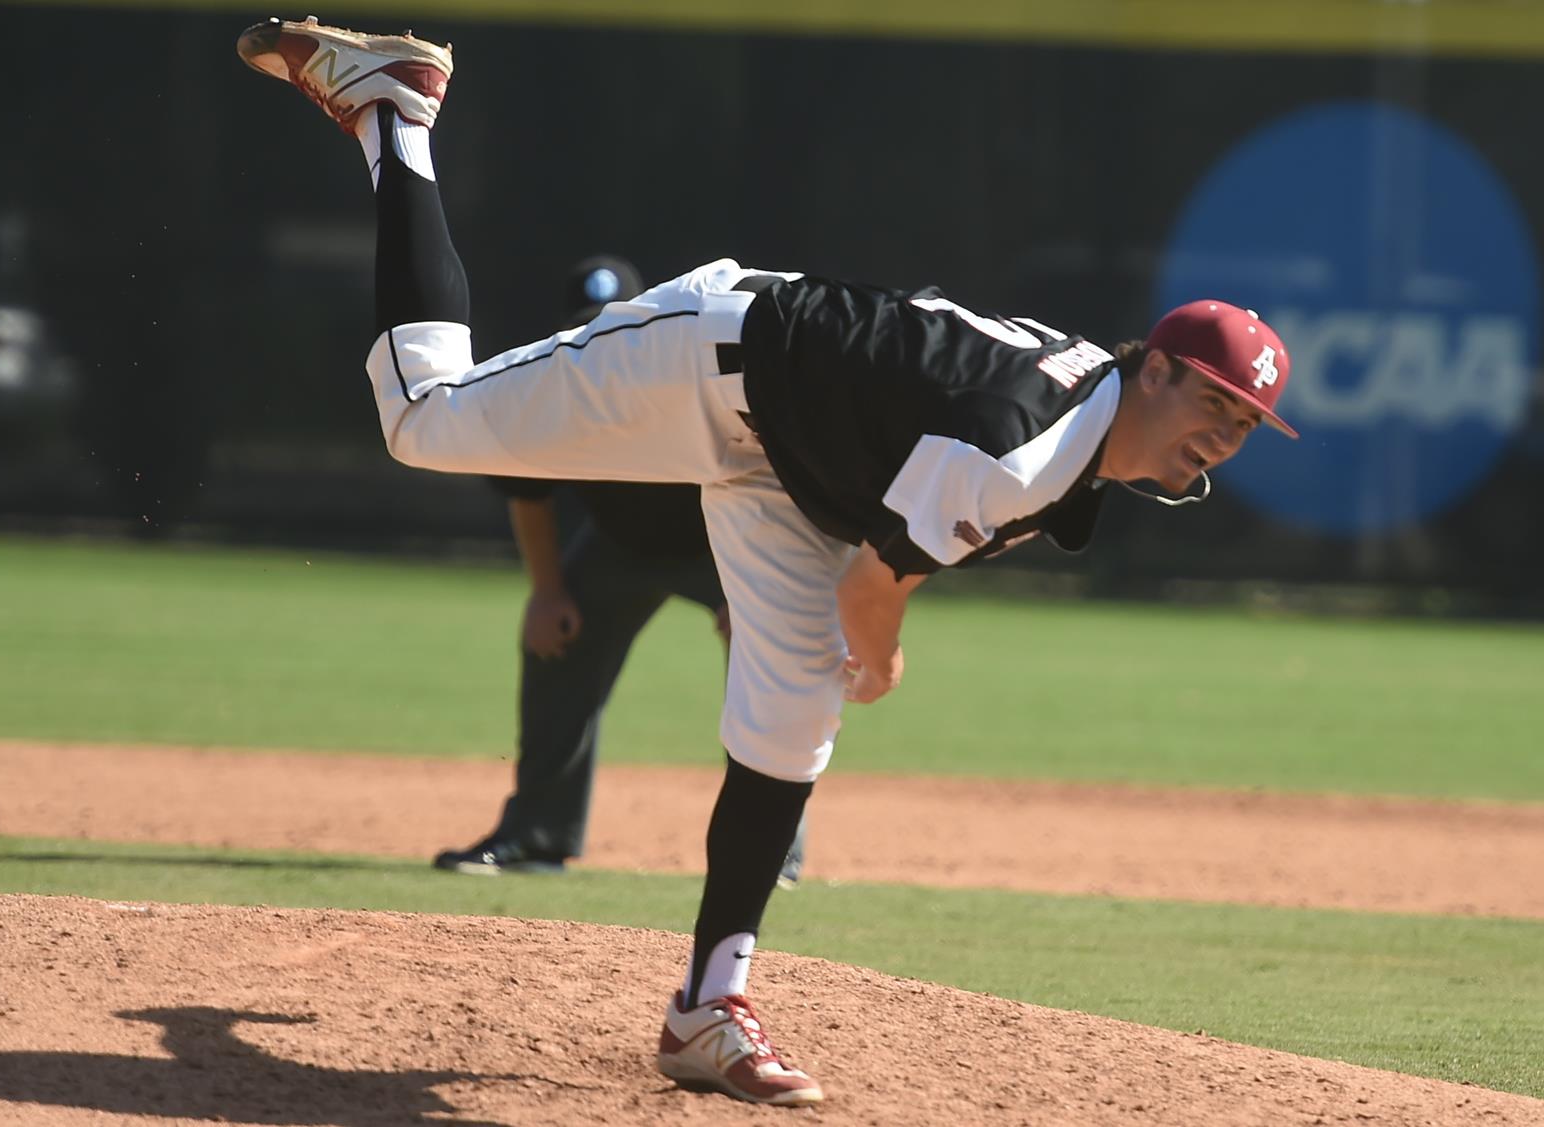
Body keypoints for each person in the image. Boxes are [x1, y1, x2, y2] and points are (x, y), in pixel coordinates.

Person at [236, 16, 1296, 1109]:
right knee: (424, 419)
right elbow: (872, 588)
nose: (1223, 432)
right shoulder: (1035, 442)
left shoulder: (1078, 433)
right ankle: (394, 114)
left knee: (791, 723)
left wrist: (870, 626)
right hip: (714, 360)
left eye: (1246, 422)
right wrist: (880, 657)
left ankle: (706, 1006)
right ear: (1158, 369)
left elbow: (911, 509)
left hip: (795, 468)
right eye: (1214, 402)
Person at [433, 257, 809, 889]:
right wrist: (547, 592)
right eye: (586, 326)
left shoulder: (692, 375)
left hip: (726, 539)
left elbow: (784, 475)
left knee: (773, 661)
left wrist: (758, 588)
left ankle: (773, 851)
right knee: (556, 638)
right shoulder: (558, 386)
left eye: (610, 322)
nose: (599, 335)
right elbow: (527, 491)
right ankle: (536, 835)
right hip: (619, 545)